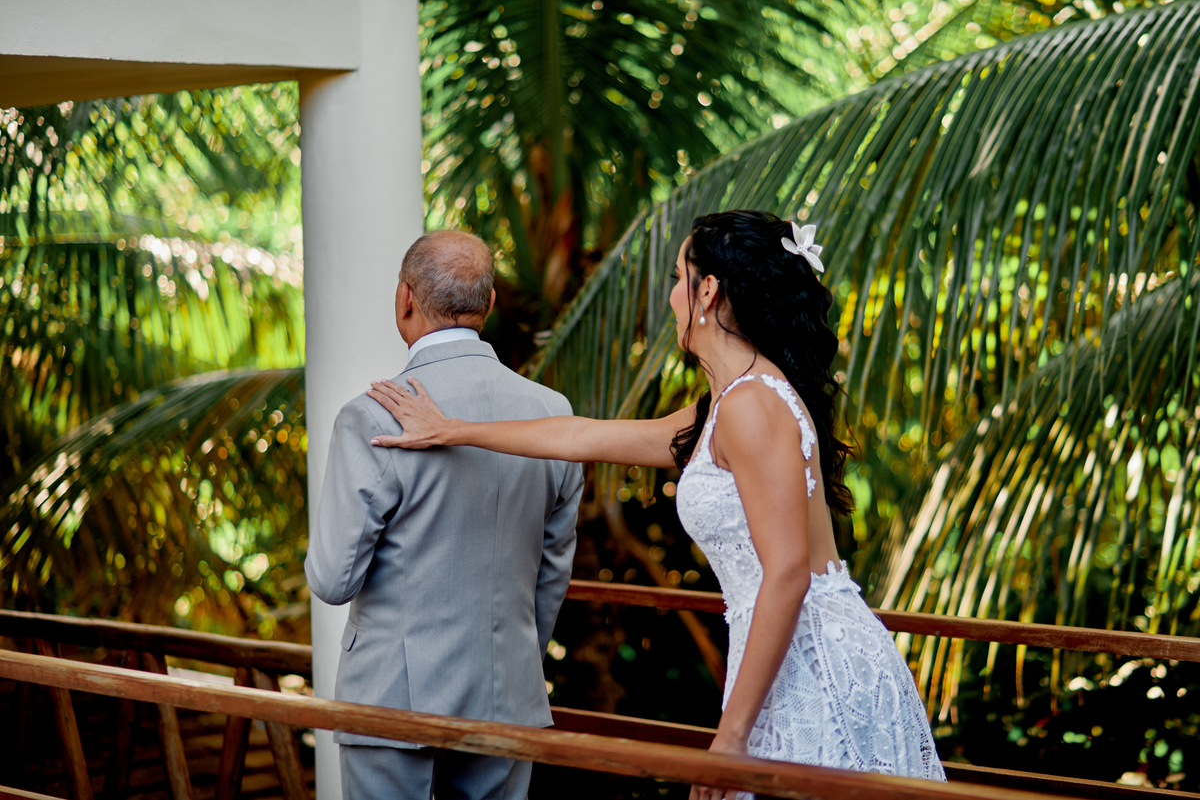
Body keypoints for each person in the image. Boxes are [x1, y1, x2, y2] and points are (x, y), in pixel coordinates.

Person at [367, 211, 947, 798]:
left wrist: (730, 738)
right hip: (781, 655)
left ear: (708, 291)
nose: (670, 297)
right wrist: (453, 429)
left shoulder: (751, 404)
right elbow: (583, 436)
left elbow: (789, 572)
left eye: (677, 279)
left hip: (816, 661)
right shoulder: (724, 405)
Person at [305, 230, 584, 800]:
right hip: (508, 691)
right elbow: (552, 572)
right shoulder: (552, 414)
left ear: (405, 298)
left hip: (392, 695)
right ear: (489, 303)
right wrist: (512, 658)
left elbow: (333, 580)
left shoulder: (372, 417)